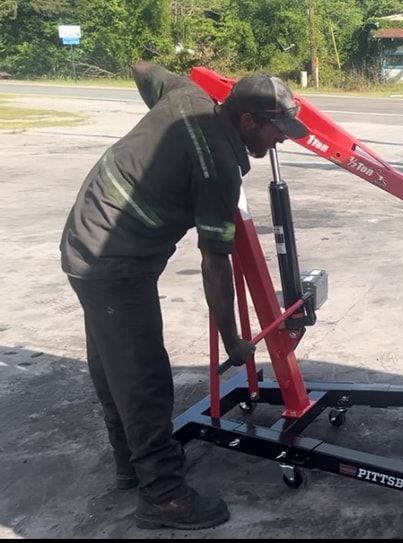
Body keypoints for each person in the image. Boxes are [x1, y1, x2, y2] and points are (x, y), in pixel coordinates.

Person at [59, 61, 308, 530]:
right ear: (248, 121)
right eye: (277, 129)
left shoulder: (185, 95)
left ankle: (129, 465)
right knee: (143, 377)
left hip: (86, 236)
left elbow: (139, 68)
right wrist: (235, 342)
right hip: (113, 260)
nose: (282, 139)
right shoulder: (217, 168)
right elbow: (216, 265)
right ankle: (163, 496)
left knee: (111, 362)